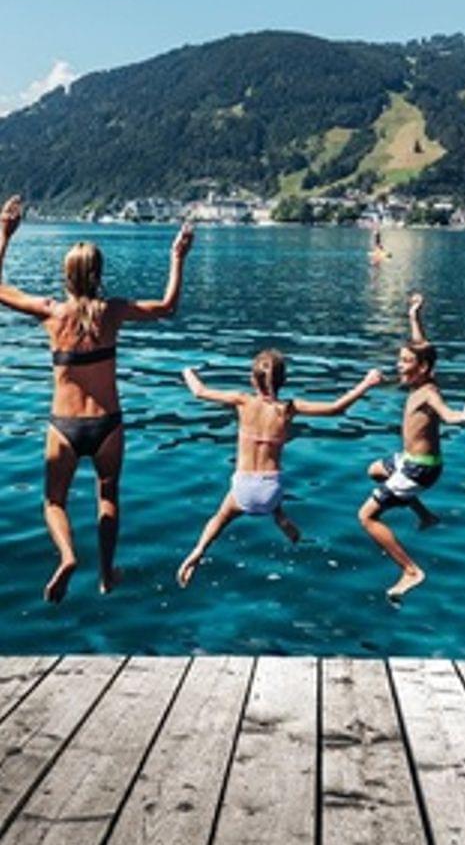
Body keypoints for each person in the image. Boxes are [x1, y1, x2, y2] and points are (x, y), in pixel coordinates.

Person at [0, 195, 194, 603]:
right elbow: (167, 306)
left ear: (66, 275)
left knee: (54, 500)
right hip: (107, 425)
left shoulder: (51, 313)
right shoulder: (114, 311)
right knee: (108, 496)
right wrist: (178, 257)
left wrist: (4, 234)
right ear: (99, 274)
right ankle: (107, 574)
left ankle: (68, 556)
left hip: (64, 427)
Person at [177, 349, 383, 587]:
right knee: (271, 491)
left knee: (221, 517)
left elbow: (199, 391)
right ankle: (281, 517)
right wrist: (366, 383)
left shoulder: (242, 401)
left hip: (243, 487)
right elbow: (336, 408)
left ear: (253, 380)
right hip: (270, 489)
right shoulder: (288, 408)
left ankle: (198, 551)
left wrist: (187, 372)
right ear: (283, 381)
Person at [358, 291, 465, 601]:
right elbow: (422, 347)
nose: (399, 366)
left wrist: (462, 416)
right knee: (374, 470)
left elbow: (446, 413)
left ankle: (411, 571)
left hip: (419, 469)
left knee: (367, 516)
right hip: (409, 460)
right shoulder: (422, 377)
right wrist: (414, 316)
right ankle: (426, 516)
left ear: (423, 368)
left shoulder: (428, 393)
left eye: (406, 362)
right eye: (399, 359)